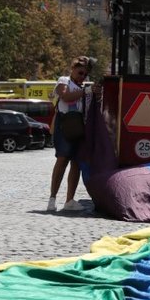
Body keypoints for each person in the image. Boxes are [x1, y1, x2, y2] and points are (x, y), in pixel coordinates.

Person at [48, 56, 90, 213]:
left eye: (85, 74)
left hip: (78, 125)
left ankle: (69, 200)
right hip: (64, 124)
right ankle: (52, 198)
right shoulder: (63, 80)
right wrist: (85, 91)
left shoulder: (83, 87)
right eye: (80, 72)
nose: (82, 76)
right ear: (72, 69)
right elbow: (65, 96)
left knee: (76, 162)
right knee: (62, 159)